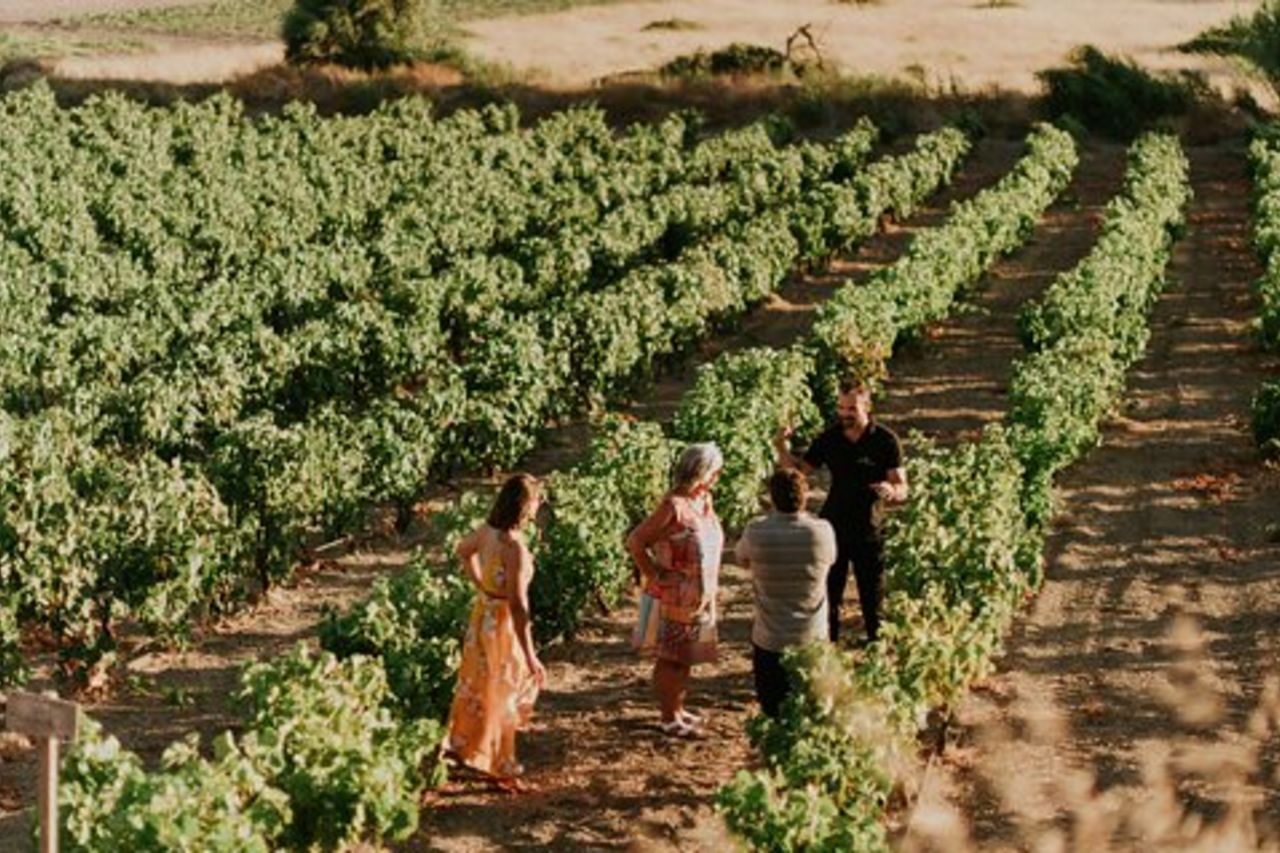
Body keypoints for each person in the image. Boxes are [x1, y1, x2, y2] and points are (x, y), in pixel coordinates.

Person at [775, 375, 908, 643]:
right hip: (832, 528)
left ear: (866, 408)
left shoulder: (885, 440)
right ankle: (828, 655)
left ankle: (876, 653)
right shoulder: (830, 438)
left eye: (852, 409)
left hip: (870, 529)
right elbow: (799, 472)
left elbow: (902, 486)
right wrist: (781, 447)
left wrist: (892, 491)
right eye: (842, 408)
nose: (845, 414)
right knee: (829, 596)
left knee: (873, 600)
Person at [446, 473, 547, 791]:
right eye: (535, 501)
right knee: (507, 688)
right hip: (502, 623)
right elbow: (518, 604)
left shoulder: (488, 533)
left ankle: (468, 748)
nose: (537, 507)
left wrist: (482, 586)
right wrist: (531, 653)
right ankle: (500, 763)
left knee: (480, 684)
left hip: (483, 616)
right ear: (524, 504)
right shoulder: (514, 546)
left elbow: (463, 551)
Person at [626, 443, 725, 737]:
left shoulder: (704, 501)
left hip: (698, 595)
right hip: (675, 595)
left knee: (687, 655)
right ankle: (669, 717)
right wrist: (654, 574)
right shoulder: (673, 506)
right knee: (671, 658)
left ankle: (679, 710)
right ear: (703, 473)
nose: (717, 479)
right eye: (715, 473)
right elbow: (636, 541)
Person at [736, 468, 838, 717]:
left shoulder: (757, 531)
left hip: (769, 638)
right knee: (812, 712)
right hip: (811, 636)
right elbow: (831, 560)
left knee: (773, 712)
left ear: (772, 497)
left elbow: (741, 559)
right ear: (804, 497)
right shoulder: (821, 530)